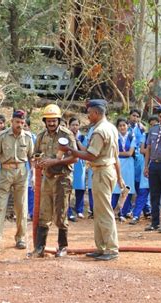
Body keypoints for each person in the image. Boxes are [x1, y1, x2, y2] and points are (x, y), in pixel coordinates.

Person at [59, 99, 123, 261]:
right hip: (106, 170)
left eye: (89, 113)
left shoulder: (99, 131)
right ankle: (102, 247)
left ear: (96, 113)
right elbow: (114, 155)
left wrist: (70, 150)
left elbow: (91, 155)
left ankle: (111, 248)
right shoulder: (111, 128)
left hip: (102, 171)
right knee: (99, 210)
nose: (87, 116)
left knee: (104, 211)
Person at [30, 104, 78, 258]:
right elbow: (35, 155)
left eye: (54, 120)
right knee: (44, 213)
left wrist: (54, 162)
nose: (51, 123)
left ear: (58, 120)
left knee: (61, 213)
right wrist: (38, 162)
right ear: (45, 121)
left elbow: (75, 157)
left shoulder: (67, 134)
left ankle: (62, 247)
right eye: (48, 120)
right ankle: (39, 248)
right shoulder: (41, 136)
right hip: (47, 179)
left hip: (62, 178)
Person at [0, 110, 34, 251]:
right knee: (0, 205)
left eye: (22, 123)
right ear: (12, 121)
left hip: (22, 173)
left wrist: (34, 175)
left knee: (21, 207)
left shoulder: (28, 138)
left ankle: (21, 238)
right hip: (5, 172)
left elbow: (31, 158)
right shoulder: (2, 136)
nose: (20, 125)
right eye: (17, 122)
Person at [130, 115, 158, 225]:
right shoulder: (145, 135)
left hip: (159, 166)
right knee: (143, 191)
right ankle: (136, 215)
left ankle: (155, 217)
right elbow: (142, 150)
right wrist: (151, 150)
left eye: (154, 124)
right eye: (150, 125)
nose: (152, 127)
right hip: (147, 165)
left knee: (157, 194)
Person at [113, 118, 135, 221]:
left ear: (127, 126)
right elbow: (113, 152)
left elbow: (130, 153)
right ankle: (114, 211)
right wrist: (120, 154)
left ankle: (124, 212)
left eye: (124, 125)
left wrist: (118, 153)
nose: (122, 127)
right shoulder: (114, 137)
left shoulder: (131, 136)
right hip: (117, 163)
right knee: (115, 188)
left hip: (129, 165)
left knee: (127, 188)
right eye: (120, 125)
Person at [68, 117, 88, 221]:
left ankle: (79, 210)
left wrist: (77, 140)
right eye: (73, 125)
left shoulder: (83, 137)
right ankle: (68, 211)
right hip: (69, 162)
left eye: (76, 125)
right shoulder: (66, 136)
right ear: (69, 126)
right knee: (68, 187)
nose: (74, 127)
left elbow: (85, 150)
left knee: (80, 187)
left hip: (80, 163)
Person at [23, 118, 37, 220]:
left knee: (31, 189)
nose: (23, 128)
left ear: (29, 127)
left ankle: (31, 213)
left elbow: (35, 154)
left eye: (25, 126)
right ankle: (23, 213)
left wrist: (34, 168)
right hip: (21, 167)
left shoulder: (34, 137)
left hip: (32, 166)